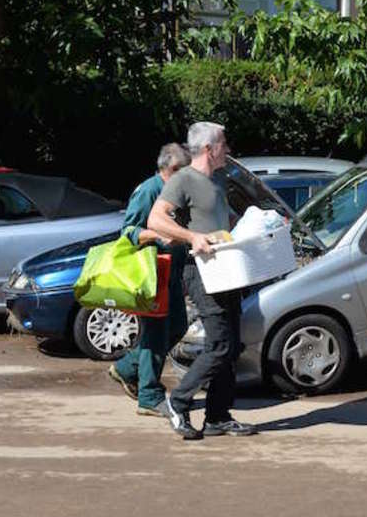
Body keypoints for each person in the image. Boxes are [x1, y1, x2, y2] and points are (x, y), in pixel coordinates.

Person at [148, 121, 257, 440]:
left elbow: (223, 221)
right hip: (201, 271)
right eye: (224, 143)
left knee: (232, 345)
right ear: (209, 149)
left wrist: (256, 228)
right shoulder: (183, 179)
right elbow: (156, 219)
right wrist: (192, 236)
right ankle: (178, 403)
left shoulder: (218, 180)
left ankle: (218, 417)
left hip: (228, 270)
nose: (228, 148)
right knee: (220, 344)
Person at [107, 143, 191, 417]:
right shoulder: (149, 190)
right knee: (155, 335)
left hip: (172, 275)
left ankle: (125, 368)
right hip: (152, 275)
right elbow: (128, 231)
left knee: (177, 327)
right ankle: (150, 397)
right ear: (172, 170)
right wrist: (155, 236)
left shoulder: (177, 193)